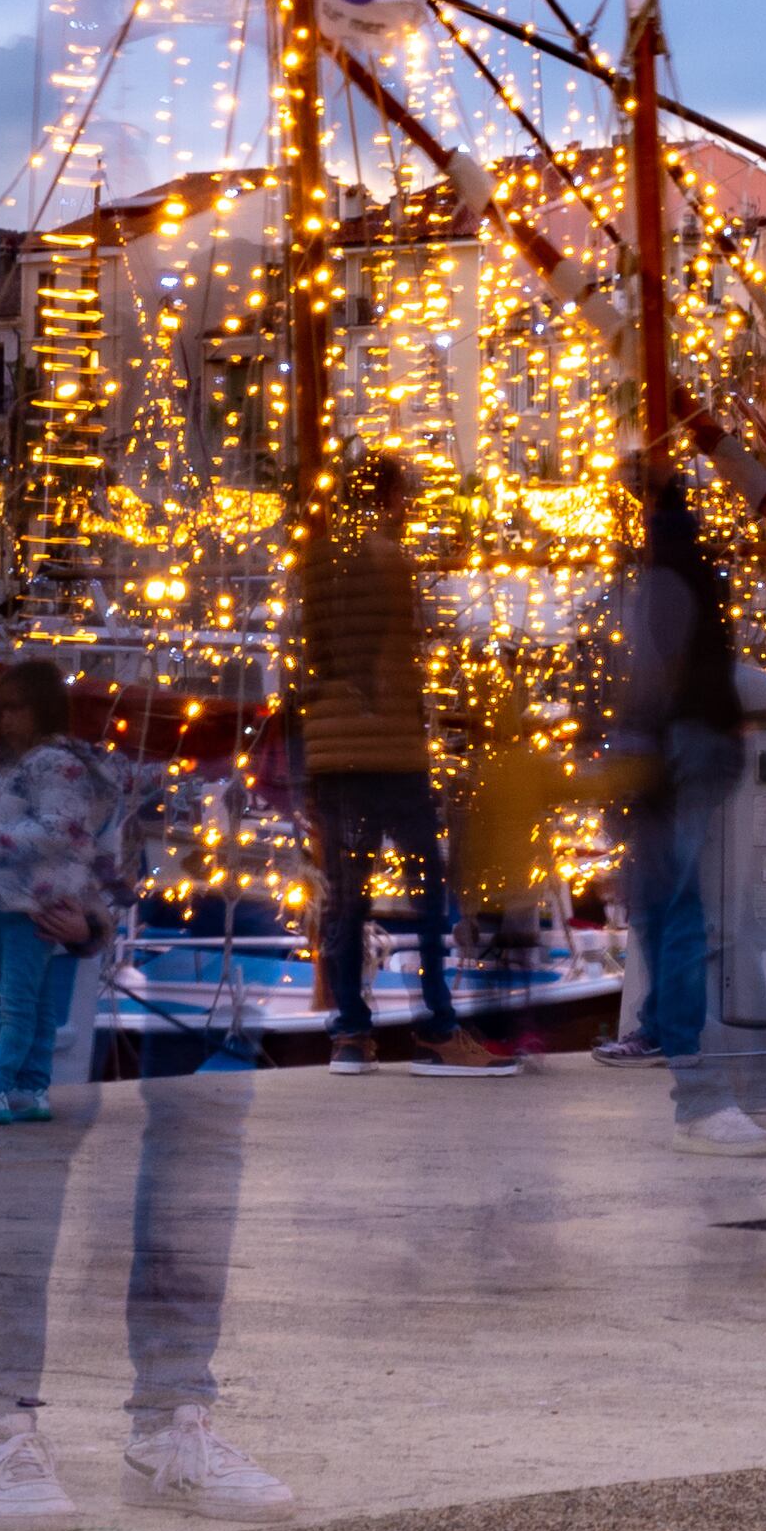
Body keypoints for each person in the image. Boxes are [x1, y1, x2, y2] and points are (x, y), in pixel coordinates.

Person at [0, 654, 287, 1531]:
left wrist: (92, 903)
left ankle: (170, 1416)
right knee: (30, 1128)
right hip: (38, 942)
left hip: (192, 920)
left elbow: (113, 826)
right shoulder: (5, 757)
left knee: (203, 1133)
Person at [596, 461, 766, 1153]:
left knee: (678, 924)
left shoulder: (657, 580)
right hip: (707, 747)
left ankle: (696, 1086)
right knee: (719, 930)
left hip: (674, 756)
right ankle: (749, 1087)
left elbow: (648, 680)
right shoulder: (699, 569)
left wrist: (624, 761)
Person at [296, 452, 497, 1073]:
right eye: (403, 495)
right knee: (428, 890)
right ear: (387, 498)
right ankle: (436, 1028)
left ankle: (350, 1034)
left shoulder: (315, 560)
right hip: (388, 752)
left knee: (347, 899)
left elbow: (306, 659)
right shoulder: (390, 560)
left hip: (332, 756)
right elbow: (396, 661)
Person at [0, 657, 136, 1126]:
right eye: (1, 710)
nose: (7, 720)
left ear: (42, 709)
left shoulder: (50, 764)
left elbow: (60, 833)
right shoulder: (28, 763)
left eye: (17, 709)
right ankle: (30, 1088)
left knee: (17, 1001)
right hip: (23, 895)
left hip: (28, 897)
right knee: (36, 998)